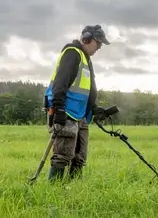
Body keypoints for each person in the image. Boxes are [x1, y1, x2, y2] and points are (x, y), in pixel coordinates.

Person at [43, 24, 111, 182]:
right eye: (98, 43)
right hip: (66, 112)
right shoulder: (72, 53)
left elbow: (87, 89)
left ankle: (73, 190)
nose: (99, 47)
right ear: (87, 38)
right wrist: (58, 110)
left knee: (79, 157)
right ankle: (54, 190)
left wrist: (93, 108)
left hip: (80, 115)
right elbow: (60, 85)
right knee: (62, 155)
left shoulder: (85, 59)